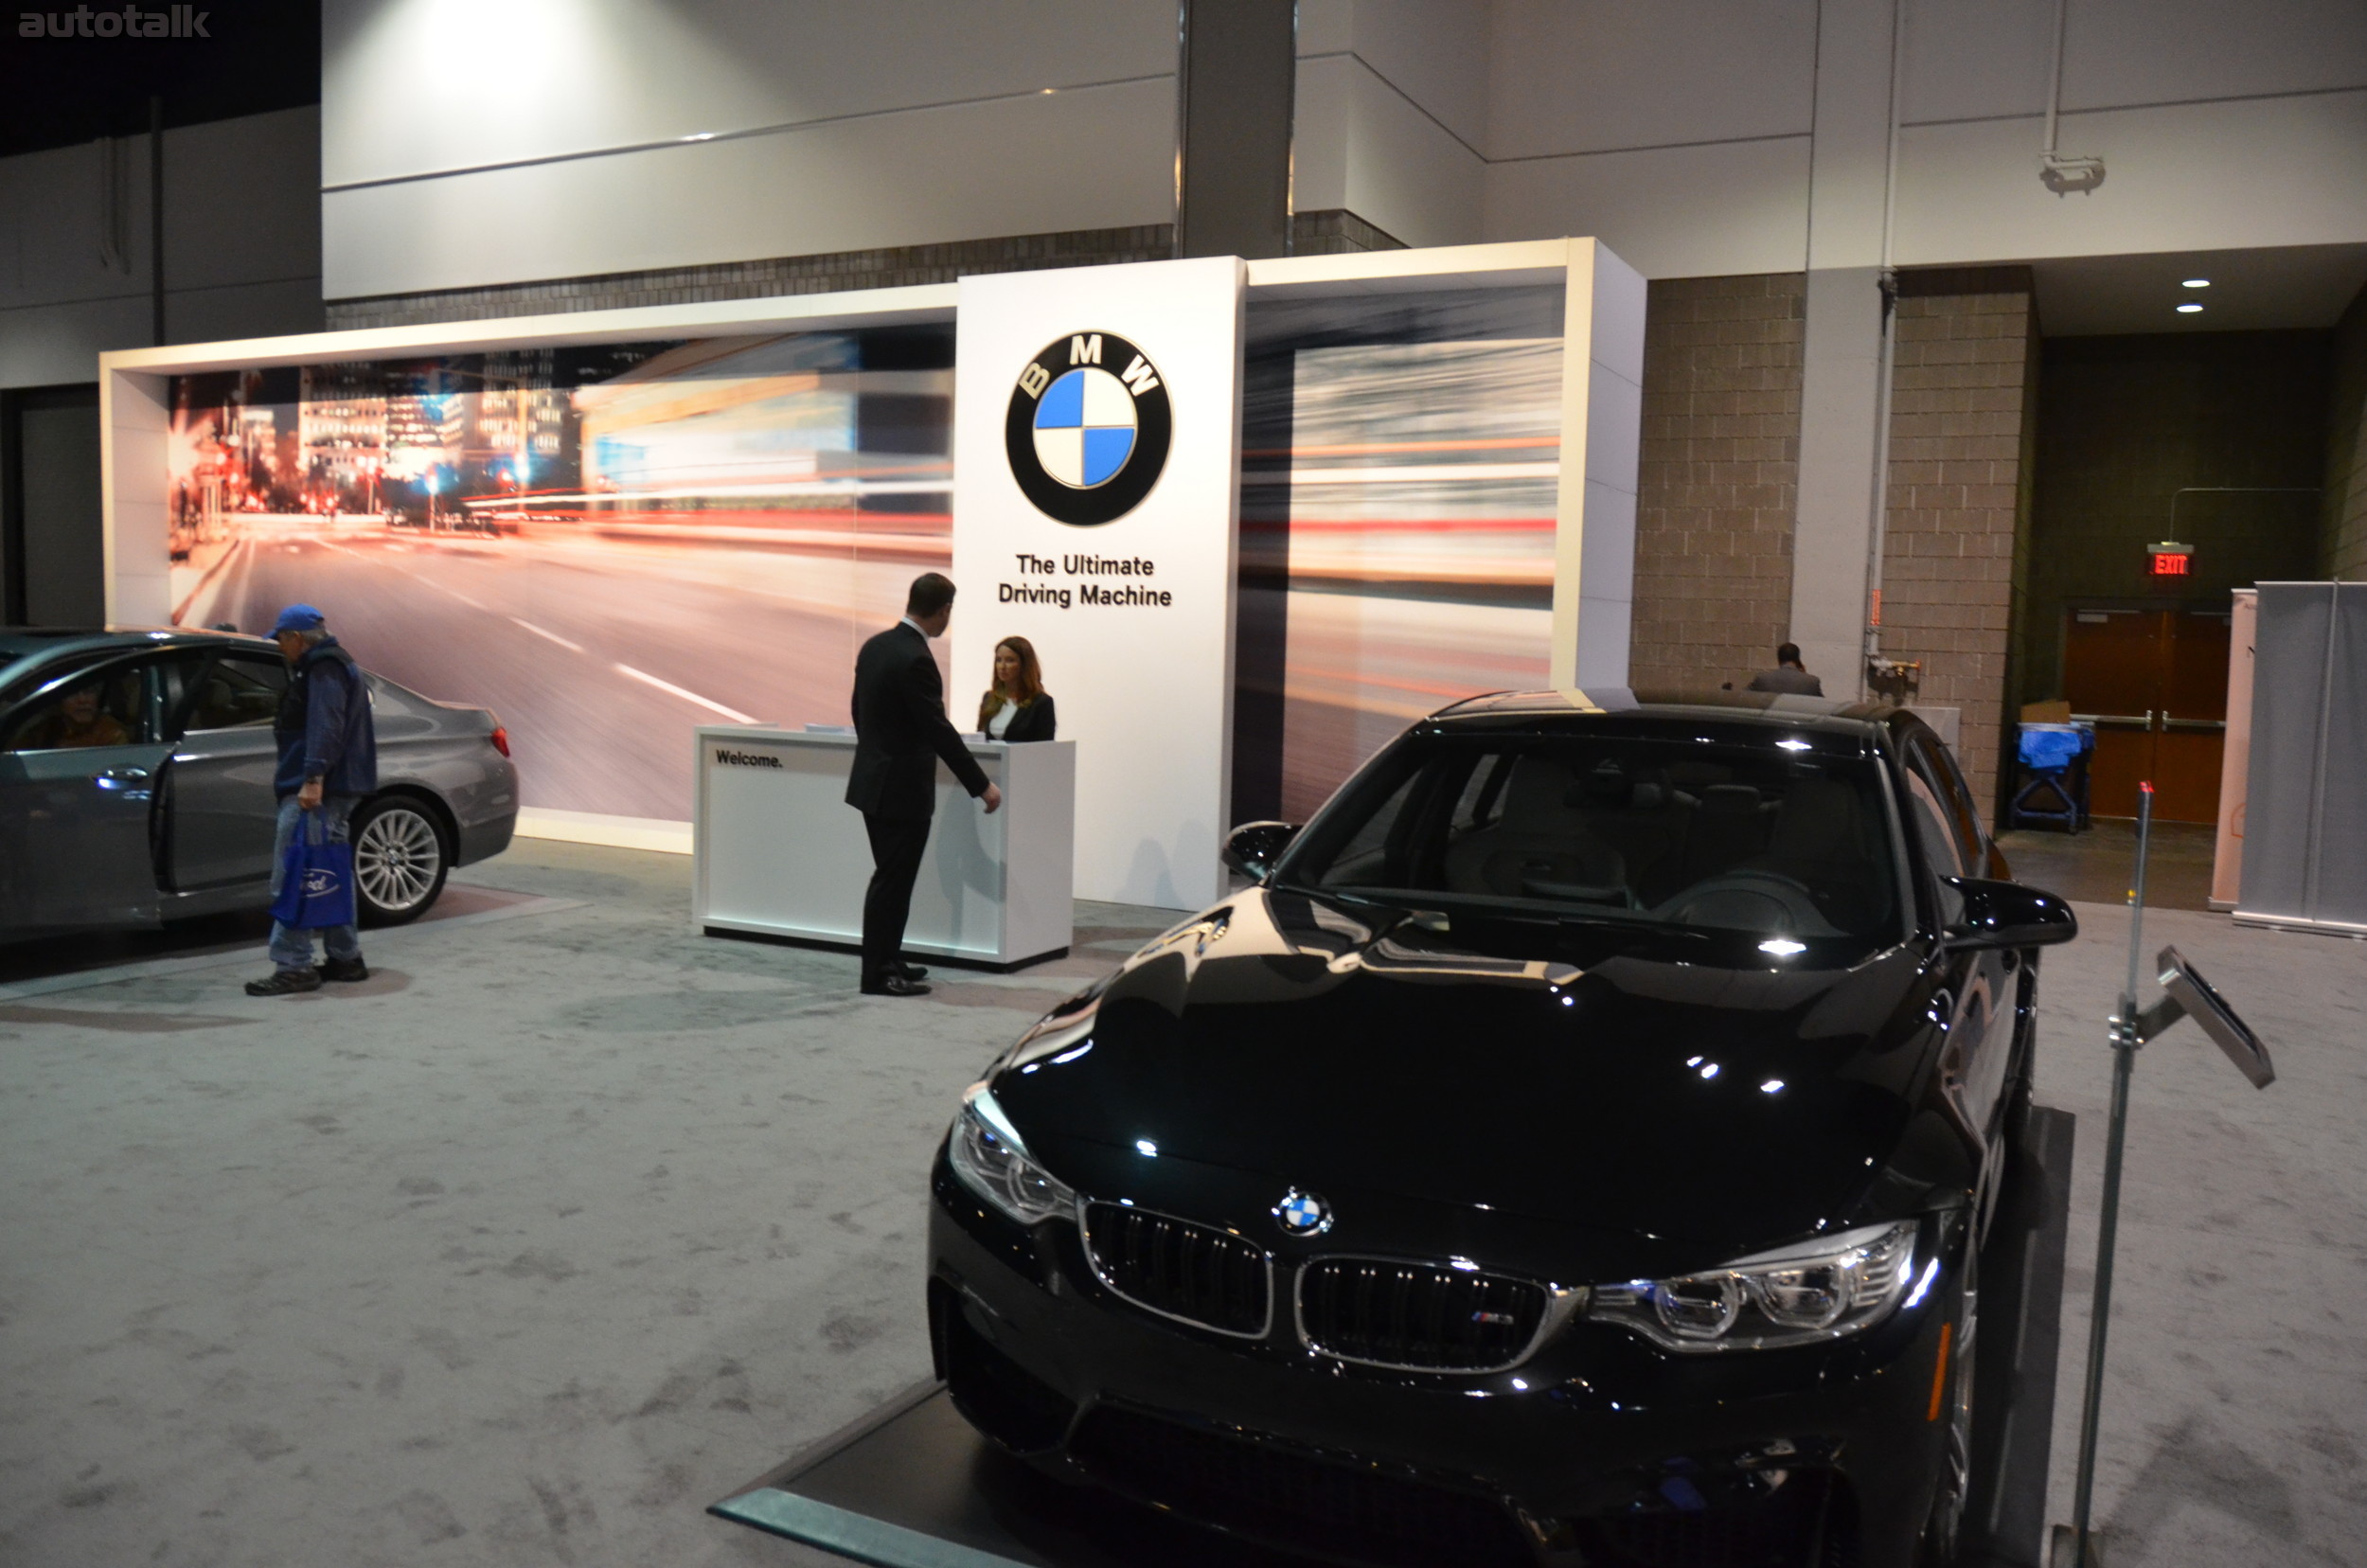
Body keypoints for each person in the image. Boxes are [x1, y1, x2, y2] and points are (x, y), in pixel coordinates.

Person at [847, 573, 1003, 997]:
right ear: (944, 610)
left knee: (892, 879)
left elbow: (859, 710)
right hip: (901, 791)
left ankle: (889, 959)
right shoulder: (916, 657)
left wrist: (879, 754)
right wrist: (981, 785)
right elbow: (937, 729)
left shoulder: (876, 646)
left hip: (872, 782)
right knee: (892, 882)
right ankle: (878, 974)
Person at [246, 604, 379, 997]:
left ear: (297, 639)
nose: (280, 648)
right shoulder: (331, 664)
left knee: (295, 877)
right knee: (329, 876)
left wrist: (313, 779)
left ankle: (294, 965)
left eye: (282, 640)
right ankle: (345, 957)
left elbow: (325, 724)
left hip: (319, 792)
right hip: (333, 790)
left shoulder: (323, 668)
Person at [976, 635, 1059, 741]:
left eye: (1010, 660)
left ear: (1024, 665)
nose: (1002, 666)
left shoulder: (1041, 703)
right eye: (999, 660)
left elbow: (1045, 747)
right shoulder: (989, 698)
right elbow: (979, 738)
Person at [1747, 642, 1824, 697]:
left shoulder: (1762, 679)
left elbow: (1743, 697)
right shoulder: (1812, 682)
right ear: (1797, 659)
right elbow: (1820, 705)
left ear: (1779, 659)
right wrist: (1804, 675)